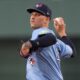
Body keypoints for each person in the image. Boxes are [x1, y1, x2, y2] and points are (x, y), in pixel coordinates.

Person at [20, 3, 75, 80]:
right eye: (32, 14)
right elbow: (71, 51)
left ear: (47, 19)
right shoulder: (57, 43)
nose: (32, 17)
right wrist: (62, 33)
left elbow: (50, 38)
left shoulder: (40, 32)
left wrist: (30, 44)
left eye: (37, 14)